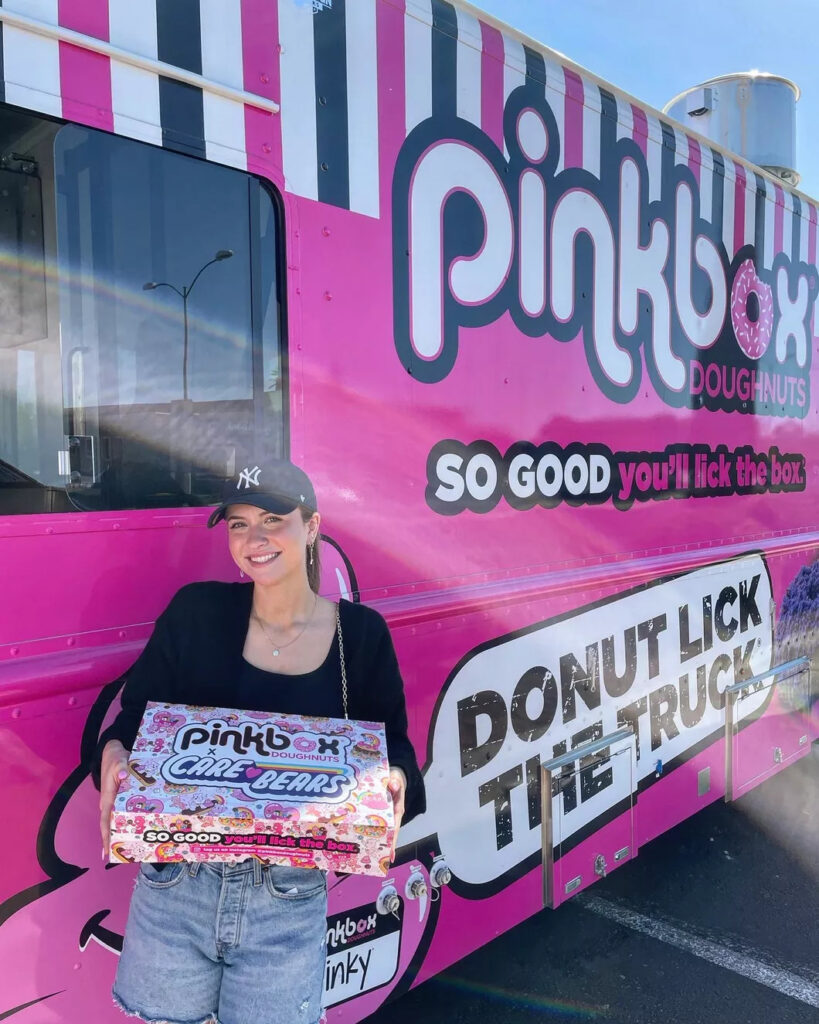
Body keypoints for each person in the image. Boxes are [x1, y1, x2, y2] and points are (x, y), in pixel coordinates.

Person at [94, 457, 425, 1024]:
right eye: (239, 523)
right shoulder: (196, 612)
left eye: (274, 519)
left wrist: (393, 782)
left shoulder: (361, 637)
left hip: (288, 900)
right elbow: (135, 723)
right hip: (177, 885)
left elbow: (395, 752)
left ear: (312, 526)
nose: (255, 539)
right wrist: (114, 756)